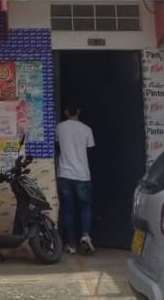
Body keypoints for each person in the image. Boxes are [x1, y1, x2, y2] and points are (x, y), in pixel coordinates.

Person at [55, 102, 95, 255]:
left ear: (66, 112)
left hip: (65, 174)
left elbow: (57, 145)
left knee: (68, 210)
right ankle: (85, 235)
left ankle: (70, 244)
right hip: (83, 175)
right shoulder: (86, 129)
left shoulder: (59, 128)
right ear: (78, 111)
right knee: (85, 207)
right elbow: (90, 151)